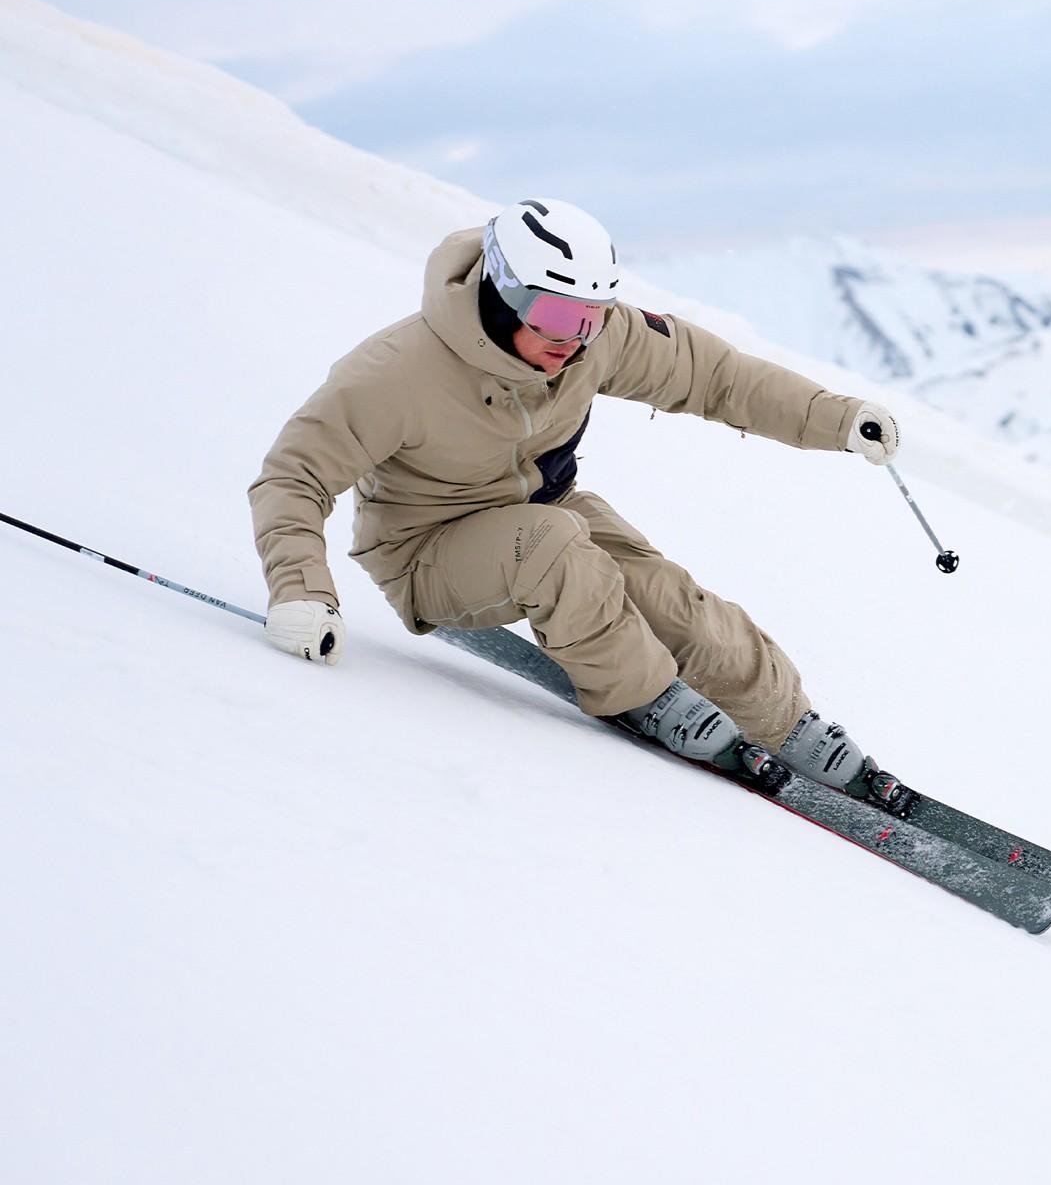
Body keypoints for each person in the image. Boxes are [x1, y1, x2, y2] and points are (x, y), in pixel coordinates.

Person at [248, 198, 897, 788]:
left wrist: (835, 419)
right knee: (554, 545)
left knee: (676, 605)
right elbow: (293, 476)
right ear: (502, 294)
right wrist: (301, 592)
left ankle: (788, 728)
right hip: (426, 554)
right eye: (558, 315)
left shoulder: (586, 341)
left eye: (592, 316)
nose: (574, 337)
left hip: (543, 514)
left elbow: (715, 377)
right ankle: (646, 696)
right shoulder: (395, 373)